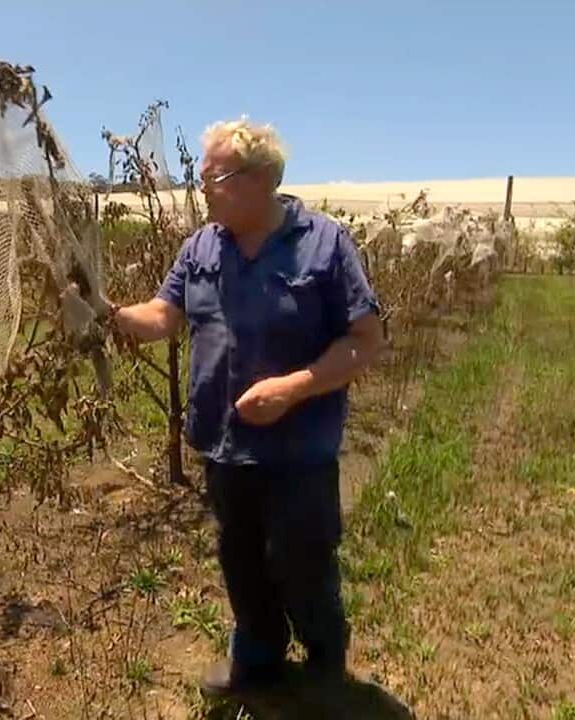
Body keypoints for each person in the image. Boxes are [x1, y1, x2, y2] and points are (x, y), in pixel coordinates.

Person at [102, 118, 387, 695]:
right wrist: (108, 315)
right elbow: (164, 316)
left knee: (304, 563)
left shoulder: (324, 243)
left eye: (214, 176)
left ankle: (324, 666)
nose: (202, 187)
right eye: (202, 176)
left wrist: (294, 387)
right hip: (225, 445)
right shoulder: (201, 246)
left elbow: (366, 341)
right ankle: (256, 658)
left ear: (260, 180)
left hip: (299, 451)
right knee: (242, 560)